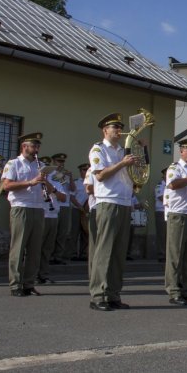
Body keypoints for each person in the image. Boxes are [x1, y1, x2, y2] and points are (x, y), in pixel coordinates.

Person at [88, 113, 137, 311]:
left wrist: (142, 152)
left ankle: (113, 293)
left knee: (118, 252)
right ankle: (98, 295)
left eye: (120, 126)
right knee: (105, 250)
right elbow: (100, 175)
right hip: (108, 202)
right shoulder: (98, 149)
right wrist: (122, 164)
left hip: (124, 202)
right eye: (114, 127)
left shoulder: (123, 150)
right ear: (105, 130)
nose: (118, 130)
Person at [2, 132, 53, 297]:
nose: (37, 149)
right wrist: (30, 182)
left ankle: (29, 284)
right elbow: (6, 185)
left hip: (38, 208)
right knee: (18, 247)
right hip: (21, 207)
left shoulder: (41, 165)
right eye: (34, 146)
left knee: (34, 249)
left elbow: (51, 190)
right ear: (24, 146)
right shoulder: (14, 164)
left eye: (38, 146)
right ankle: (15, 284)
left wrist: (46, 182)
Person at [164, 138, 187, 306]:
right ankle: (174, 290)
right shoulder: (175, 167)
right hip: (178, 214)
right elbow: (172, 184)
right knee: (176, 255)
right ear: (181, 151)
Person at [37, 156, 67, 284]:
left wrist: (50, 186)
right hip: (41, 215)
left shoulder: (56, 176)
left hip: (53, 214)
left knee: (47, 249)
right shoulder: (35, 178)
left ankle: (43, 275)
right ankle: (30, 274)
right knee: (35, 248)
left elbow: (63, 197)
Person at [50, 153, 75, 265]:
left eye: (62, 162)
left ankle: (58, 256)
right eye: (58, 161)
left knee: (62, 232)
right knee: (52, 232)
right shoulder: (51, 174)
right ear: (53, 162)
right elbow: (57, 180)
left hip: (65, 205)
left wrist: (71, 177)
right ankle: (50, 255)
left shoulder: (64, 175)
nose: (61, 164)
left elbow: (72, 189)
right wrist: (63, 175)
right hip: (55, 204)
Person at [68, 163, 91, 261]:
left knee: (86, 232)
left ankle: (83, 254)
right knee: (74, 232)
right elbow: (72, 197)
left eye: (87, 170)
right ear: (80, 171)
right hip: (77, 209)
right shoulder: (77, 182)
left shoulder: (90, 181)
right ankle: (72, 253)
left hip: (87, 210)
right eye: (83, 170)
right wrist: (79, 206)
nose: (85, 172)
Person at [154, 167, 167, 263]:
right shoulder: (160, 185)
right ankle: (162, 254)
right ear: (164, 176)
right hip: (161, 211)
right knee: (162, 234)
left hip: (169, 212)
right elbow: (161, 197)